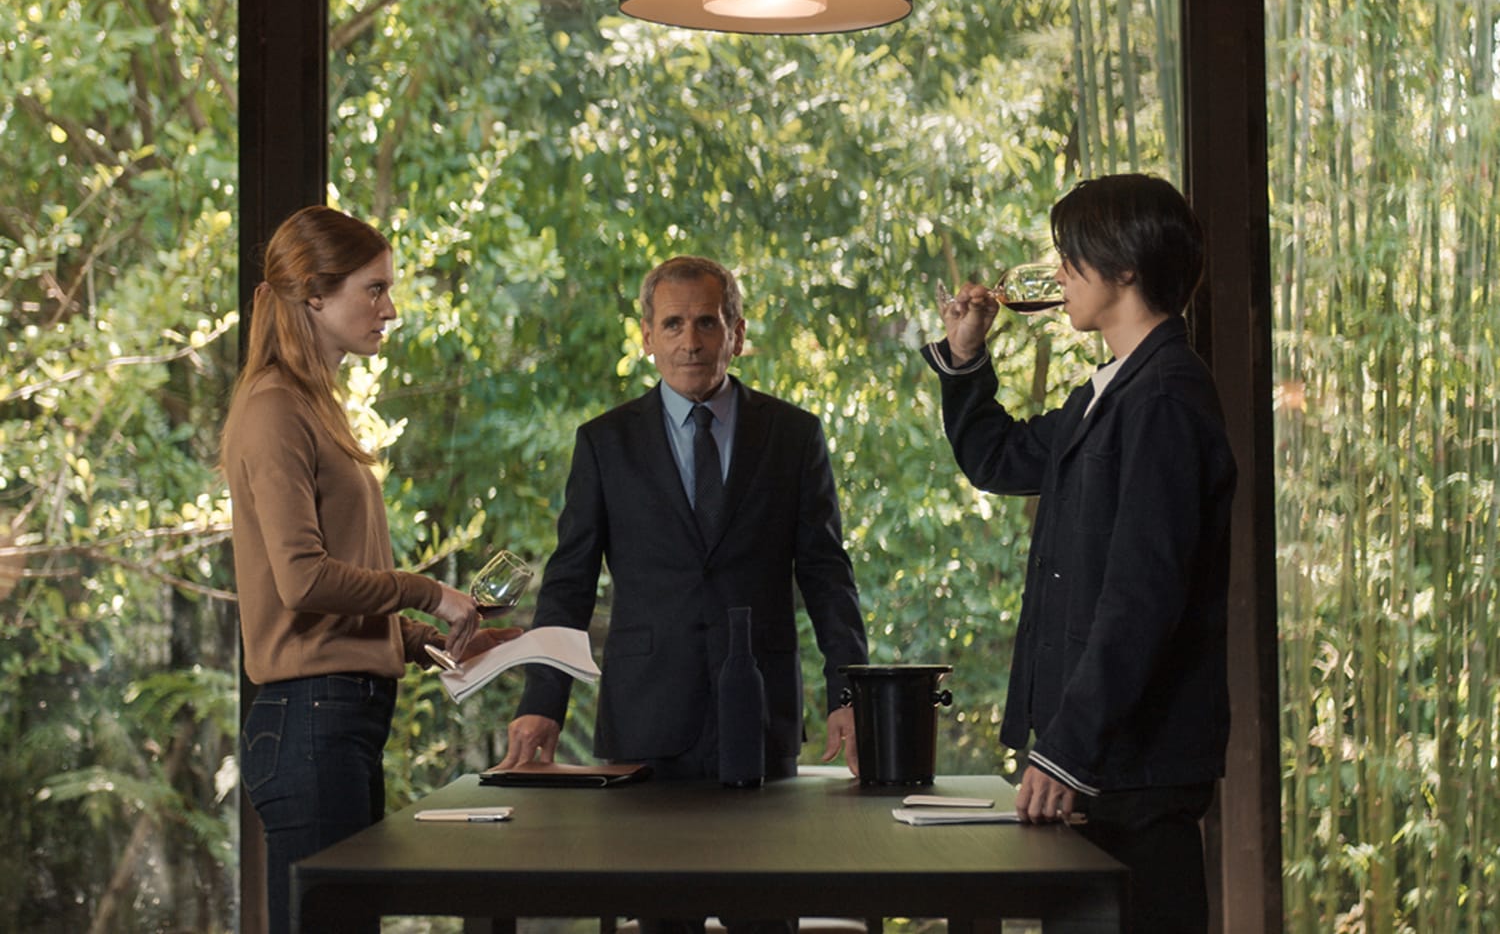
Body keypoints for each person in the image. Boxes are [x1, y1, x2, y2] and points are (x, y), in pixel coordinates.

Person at [497, 255, 869, 932]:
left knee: (765, 916)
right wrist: (542, 702)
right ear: (646, 335)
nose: (689, 341)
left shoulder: (793, 436)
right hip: (645, 721)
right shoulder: (604, 443)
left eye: (707, 322)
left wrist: (849, 690)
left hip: (758, 717)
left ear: (738, 331)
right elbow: (569, 583)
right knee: (660, 919)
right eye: (672, 324)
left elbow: (826, 573)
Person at [922, 174, 1236, 934]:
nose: (1057, 272)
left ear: (1124, 266)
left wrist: (1063, 752)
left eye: (1071, 255)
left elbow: (1142, 598)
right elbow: (998, 459)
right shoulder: (1108, 392)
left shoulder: (1164, 396)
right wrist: (966, 357)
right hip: (1103, 765)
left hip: (1137, 765)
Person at [221, 205, 522, 934]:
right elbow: (302, 582)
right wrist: (430, 594)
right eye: (376, 289)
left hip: (338, 719)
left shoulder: (315, 407)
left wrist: (427, 644)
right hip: (309, 724)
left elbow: (324, 608)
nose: (391, 309)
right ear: (316, 295)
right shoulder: (273, 410)